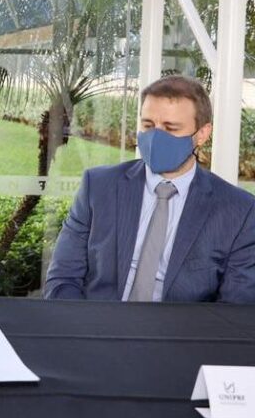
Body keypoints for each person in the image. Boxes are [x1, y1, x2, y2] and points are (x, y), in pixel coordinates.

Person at [45, 75, 255, 302]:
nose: (156, 137)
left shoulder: (239, 211)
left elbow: (236, 307)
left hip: (180, 333)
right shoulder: (98, 187)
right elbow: (63, 279)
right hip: (99, 326)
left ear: (202, 134)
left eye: (170, 128)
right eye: (148, 125)